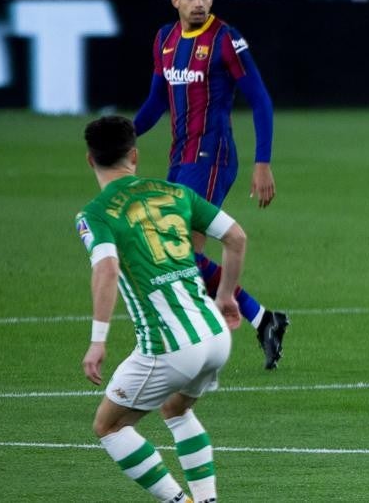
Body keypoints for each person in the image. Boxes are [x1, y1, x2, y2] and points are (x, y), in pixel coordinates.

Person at [77, 115, 245, 502]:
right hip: (214, 335)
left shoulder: (96, 214)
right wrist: (226, 296)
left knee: (109, 427)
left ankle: (180, 501)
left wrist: (98, 340)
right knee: (177, 410)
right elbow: (236, 237)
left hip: (169, 346)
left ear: (90, 160)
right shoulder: (175, 192)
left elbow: (106, 268)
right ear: (134, 156)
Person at [134, 0, 289, 369]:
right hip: (180, 158)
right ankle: (262, 318)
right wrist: (123, 136)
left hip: (213, 156)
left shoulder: (225, 39)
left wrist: (263, 161)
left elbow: (261, 99)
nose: (199, 3)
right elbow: (156, 103)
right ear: (175, 0)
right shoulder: (165, 40)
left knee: (182, 251)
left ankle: (197, 340)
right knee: (180, 253)